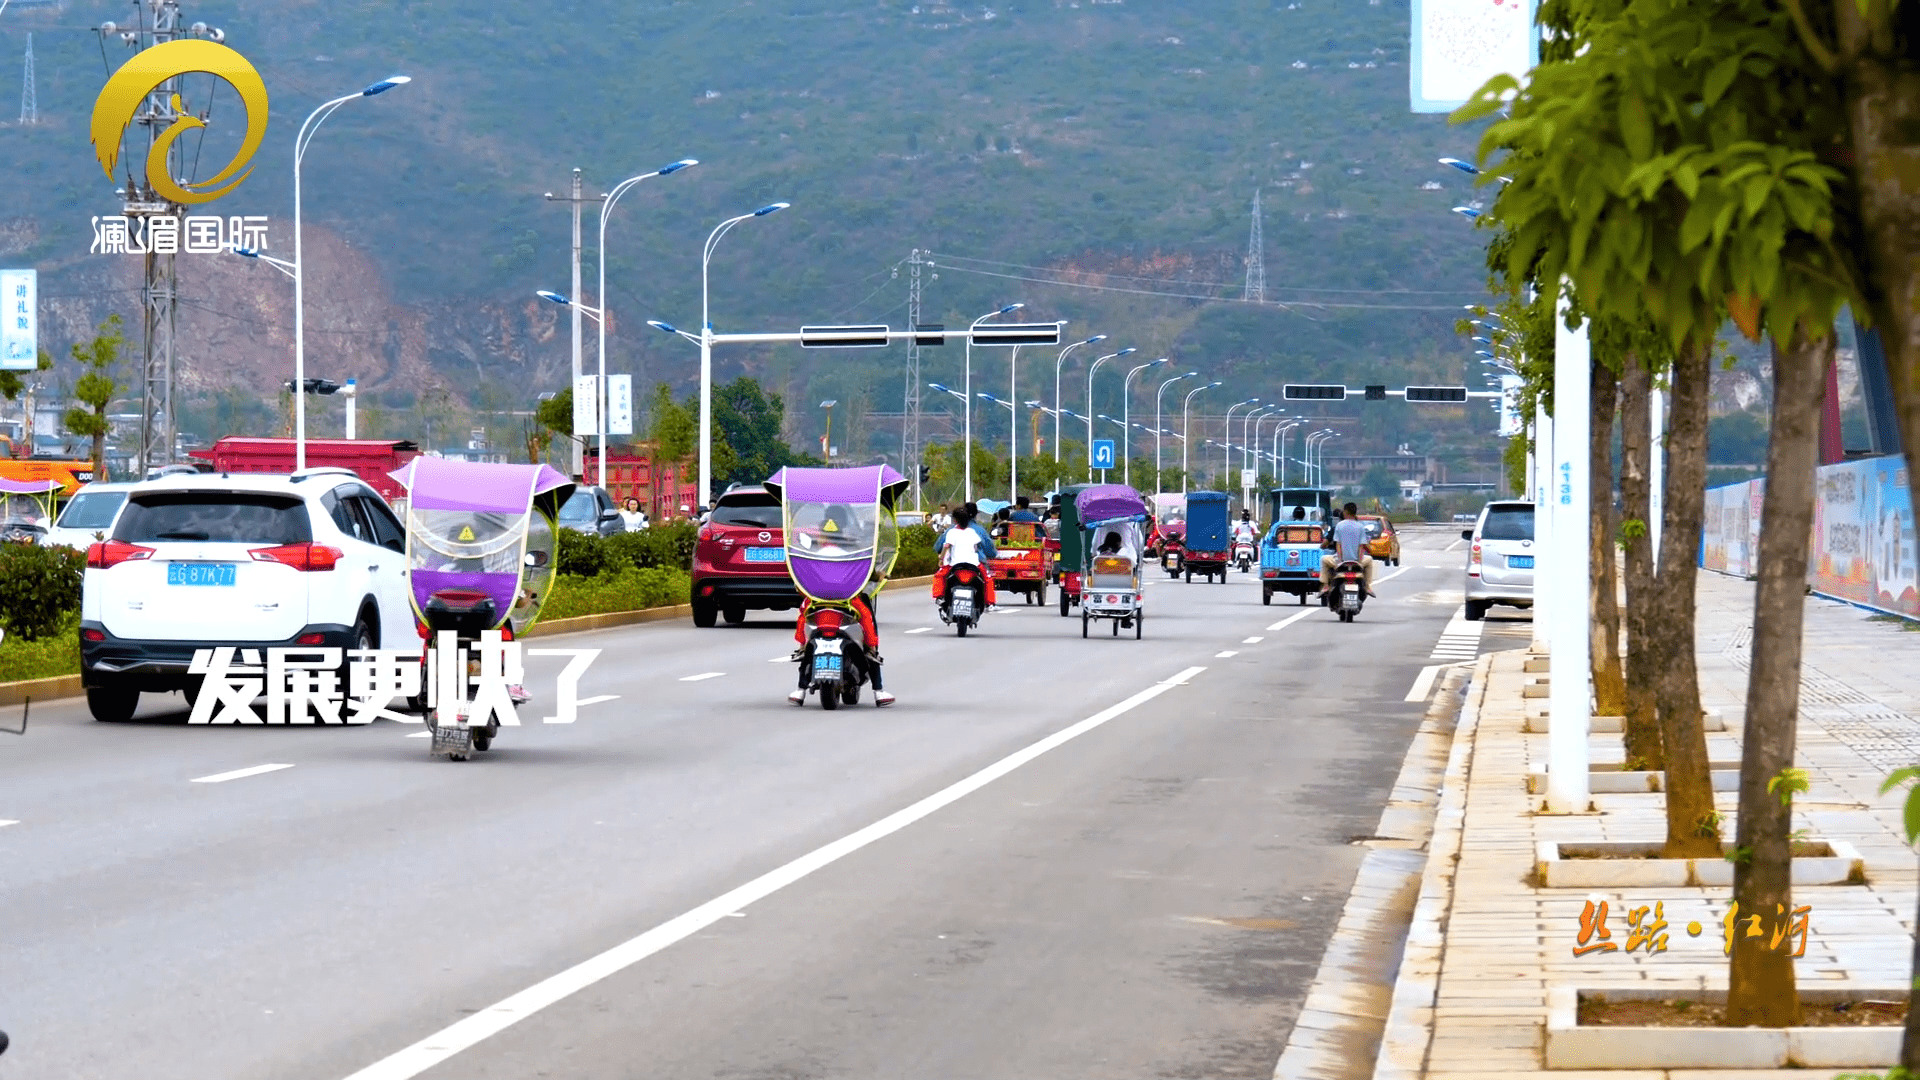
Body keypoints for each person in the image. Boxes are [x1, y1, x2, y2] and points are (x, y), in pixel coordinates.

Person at [932, 504, 997, 611]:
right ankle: (990, 603)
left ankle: (939, 597)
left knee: (940, 576)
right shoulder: (974, 531)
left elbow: (943, 546)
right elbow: (983, 547)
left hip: (954, 564)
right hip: (974, 564)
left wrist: (941, 559)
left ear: (954, 519)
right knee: (988, 579)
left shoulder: (951, 531)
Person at [1321, 501, 1376, 597]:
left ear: (1345, 512)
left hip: (1341, 560)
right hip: (1357, 561)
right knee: (1370, 560)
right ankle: (1367, 586)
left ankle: (1325, 586)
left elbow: (1338, 544)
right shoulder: (1360, 527)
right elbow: (1361, 545)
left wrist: (1340, 559)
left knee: (1324, 559)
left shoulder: (1339, 525)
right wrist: (1359, 561)